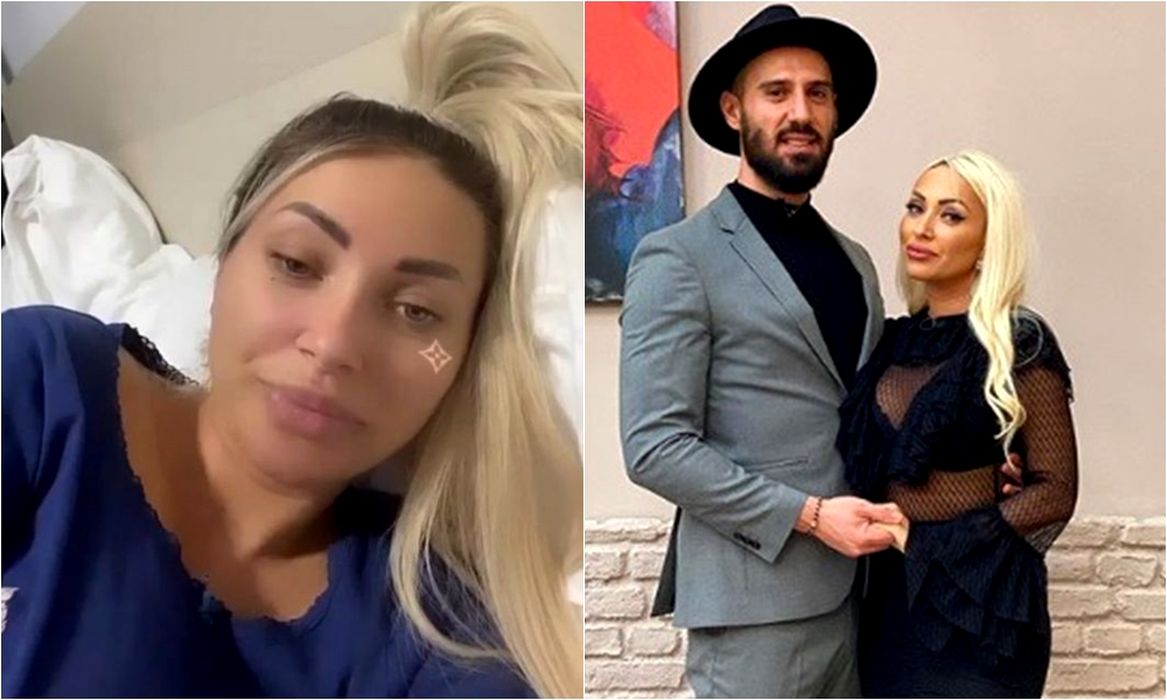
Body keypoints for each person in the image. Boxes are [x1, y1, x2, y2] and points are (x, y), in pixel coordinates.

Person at [1, 4, 583, 697]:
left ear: (458, 360)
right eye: (297, 264)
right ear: (227, 261)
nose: (334, 344)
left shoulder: (432, 636)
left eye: (416, 311)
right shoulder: (47, 391)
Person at [620, 5, 899, 697]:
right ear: (733, 110)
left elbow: (862, 415)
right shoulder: (677, 257)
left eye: (817, 93)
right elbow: (654, 446)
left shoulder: (855, 262)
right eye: (776, 92)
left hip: (862, 598)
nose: (800, 111)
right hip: (755, 613)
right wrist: (810, 517)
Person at [837, 150, 1078, 697]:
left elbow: (1055, 492)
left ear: (990, 241)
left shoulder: (1018, 340)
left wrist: (924, 540)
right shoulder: (892, 343)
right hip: (889, 610)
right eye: (915, 207)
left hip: (980, 611)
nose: (922, 228)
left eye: (951, 215)